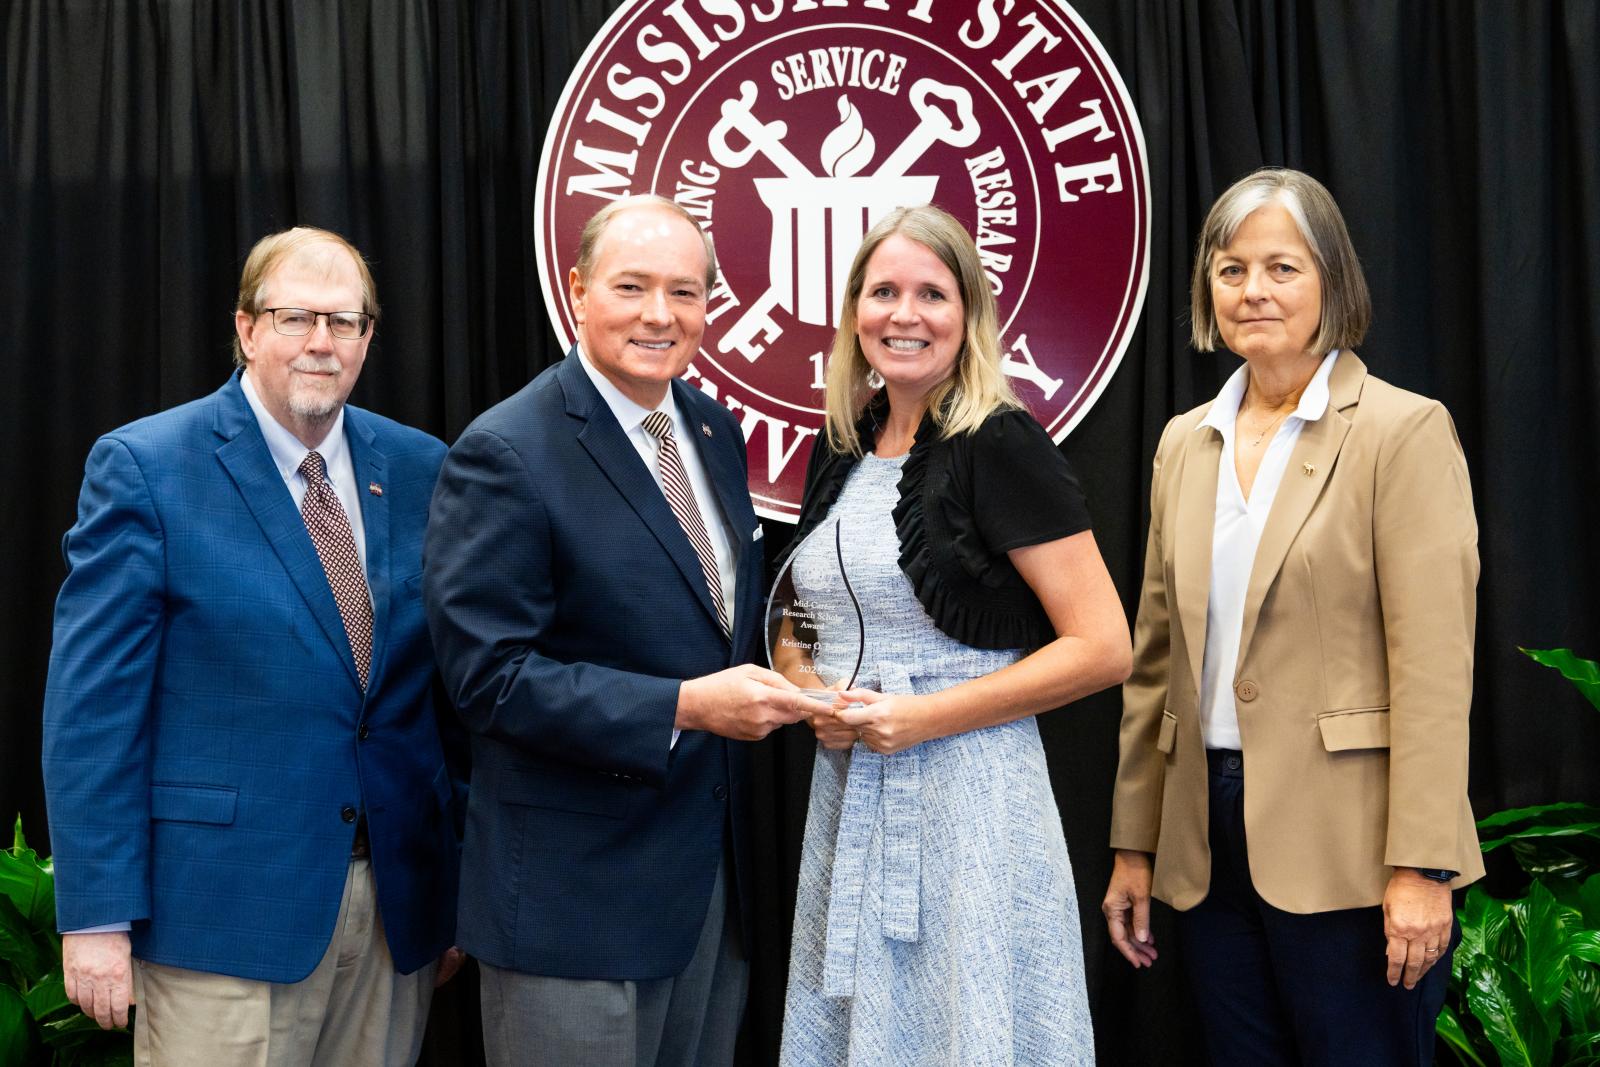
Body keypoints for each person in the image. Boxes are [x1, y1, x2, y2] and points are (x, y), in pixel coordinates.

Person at [41, 227, 464, 1066]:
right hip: (218, 918)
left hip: (390, 914)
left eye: (344, 321)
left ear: (369, 336)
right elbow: (93, 714)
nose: (320, 341)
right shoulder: (147, 466)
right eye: (294, 317)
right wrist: (95, 918)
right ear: (245, 328)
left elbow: (440, 697)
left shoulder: (422, 467)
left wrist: (448, 891)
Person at [1101, 167, 1482, 1066]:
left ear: (1331, 283)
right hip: (1206, 836)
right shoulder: (1183, 441)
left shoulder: (1402, 430)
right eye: (1231, 270)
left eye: (1282, 267)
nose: (1254, 291)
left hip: (1353, 844)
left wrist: (1421, 864)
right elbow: (1156, 663)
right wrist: (1134, 842)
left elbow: (1432, 664)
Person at [424, 194, 814, 1067]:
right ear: (577, 291)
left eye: (684, 292)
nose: (658, 314)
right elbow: (489, 679)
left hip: (710, 891)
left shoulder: (713, 430)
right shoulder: (507, 450)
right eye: (631, 286)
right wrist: (683, 705)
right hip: (574, 899)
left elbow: (707, 618)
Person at [776, 204, 1131, 1065]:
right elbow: (796, 615)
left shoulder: (999, 443)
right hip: (853, 788)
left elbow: (1104, 644)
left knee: (966, 1029)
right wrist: (803, 687)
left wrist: (922, 717)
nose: (905, 314)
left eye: (931, 293)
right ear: (854, 311)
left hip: (971, 798)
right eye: (884, 291)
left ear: (968, 314)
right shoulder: (843, 442)